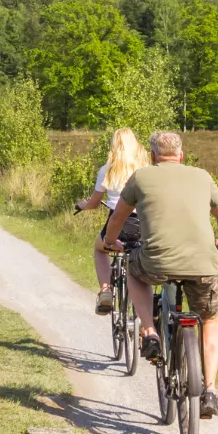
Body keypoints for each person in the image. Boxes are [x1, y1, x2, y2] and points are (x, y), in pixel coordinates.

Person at [101, 131, 218, 419]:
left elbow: (118, 218)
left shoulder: (141, 177)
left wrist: (112, 242)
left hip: (157, 262)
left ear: (152, 156)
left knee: (133, 271)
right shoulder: (203, 176)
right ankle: (210, 390)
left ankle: (149, 332)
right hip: (204, 265)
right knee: (209, 319)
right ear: (181, 155)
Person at [73, 126, 149, 314]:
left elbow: (93, 202)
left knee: (100, 249)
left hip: (117, 227)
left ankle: (106, 289)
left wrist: (82, 205)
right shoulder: (146, 170)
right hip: (143, 226)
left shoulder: (107, 170)